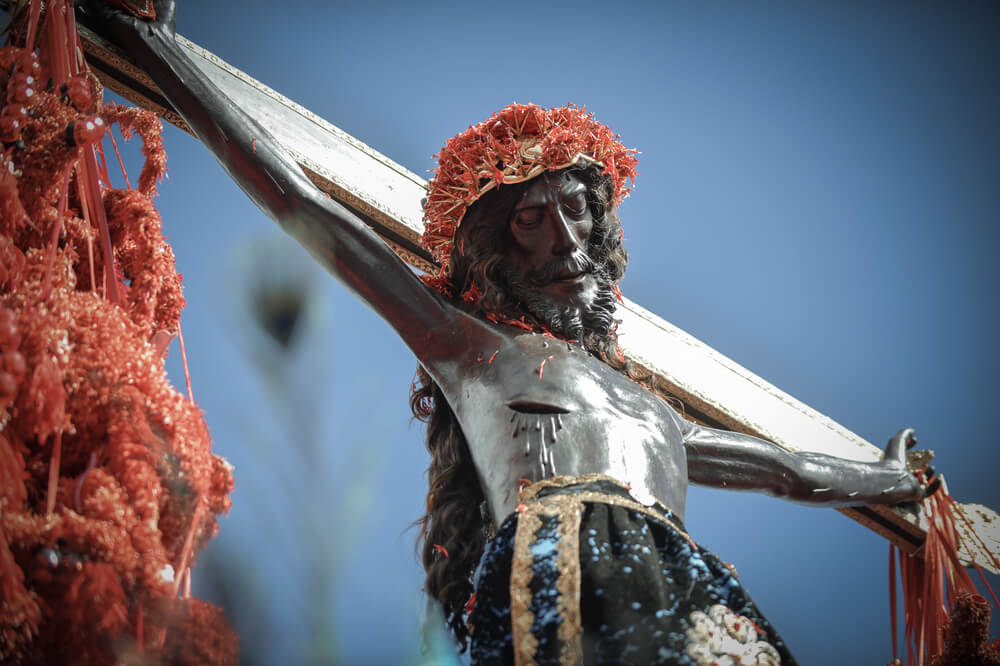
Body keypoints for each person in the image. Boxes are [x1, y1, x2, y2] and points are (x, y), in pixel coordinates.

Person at [80, 2, 939, 663]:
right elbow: (302, 204)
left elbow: (789, 472)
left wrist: (890, 480)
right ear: (497, 248)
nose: (565, 240)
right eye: (532, 219)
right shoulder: (473, 349)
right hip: (565, 556)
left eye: (575, 215)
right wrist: (149, 45)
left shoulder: (658, 415)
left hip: (689, 575)